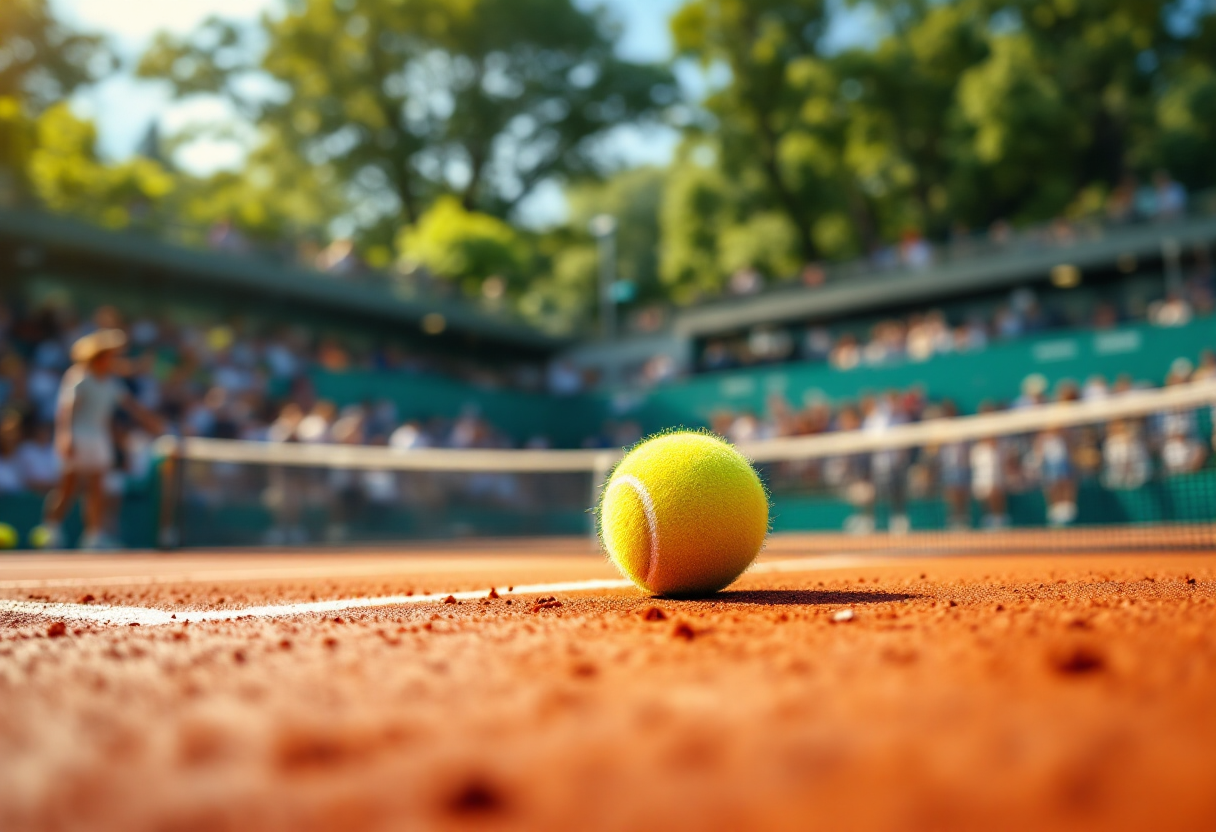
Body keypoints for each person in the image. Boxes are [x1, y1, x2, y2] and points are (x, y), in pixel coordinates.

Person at [34, 330, 164, 549]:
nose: (115, 360)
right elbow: (66, 411)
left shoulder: (112, 382)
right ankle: (51, 530)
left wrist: (152, 422)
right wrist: (66, 437)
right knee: (68, 488)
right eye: (112, 355)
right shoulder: (79, 377)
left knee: (97, 490)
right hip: (77, 436)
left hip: (98, 440)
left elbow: (131, 405)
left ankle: (93, 536)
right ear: (101, 356)